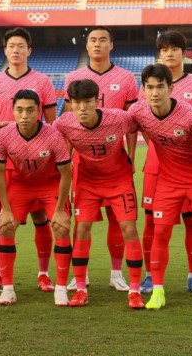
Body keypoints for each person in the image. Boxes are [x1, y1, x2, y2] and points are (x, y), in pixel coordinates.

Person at [128, 64, 192, 312]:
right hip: (168, 184)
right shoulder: (138, 112)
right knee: (160, 234)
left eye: (160, 87)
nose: (155, 92)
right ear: (143, 89)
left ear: (170, 88)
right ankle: (158, 292)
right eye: (149, 87)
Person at [54, 79, 144, 309]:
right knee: (82, 228)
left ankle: (134, 291)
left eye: (87, 102)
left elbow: (141, 125)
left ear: (97, 101)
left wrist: (133, 155)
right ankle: (81, 288)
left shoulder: (119, 118)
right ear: (70, 103)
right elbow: (42, 134)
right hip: (88, 182)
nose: (82, 107)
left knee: (129, 228)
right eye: (77, 102)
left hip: (119, 180)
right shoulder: (64, 123)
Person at [63, 26, 138, 292]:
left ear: (111, 45)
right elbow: (66, 124)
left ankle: (116, 273)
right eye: (92, 40)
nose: (97, 44)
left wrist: (130, 157)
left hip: (115, 162)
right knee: (82, 222)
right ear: (86, 46)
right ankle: (78, 275)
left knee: (119, 220)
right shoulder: (73, 76)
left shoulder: (127, 77)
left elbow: (132, 122)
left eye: (102, 40)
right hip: (84, 166)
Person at [0, 27, 58, 292]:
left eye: (20, 46)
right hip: (7, 165)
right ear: (5, 50)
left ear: (29, 50)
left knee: (41, 219)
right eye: (11, 46)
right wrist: (2, 129)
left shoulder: (43, 82)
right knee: (2, 222)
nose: (16, 50)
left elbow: (52, 125)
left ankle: (43, 273)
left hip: (39, 165)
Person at [140, 30, 192, 296]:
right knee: (151, 222)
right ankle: (150, 276)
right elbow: (145, 125)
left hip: (190, 169)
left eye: (175, 48)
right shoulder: (146, 85)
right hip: (157, 166)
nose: (169, 53)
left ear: (184, 52)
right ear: (159, 53)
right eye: (164, 49)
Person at [0, 90, 73, 306]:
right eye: (19, 110)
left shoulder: (53, 134)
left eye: (30, 110)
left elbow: (66, 172)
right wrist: (6, 208)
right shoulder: (4, 135)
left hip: (50, 184)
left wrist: (60, 209)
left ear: (39, 111)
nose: (24, 115)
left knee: (61, 227)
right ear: (13, 111)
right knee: (6, 226)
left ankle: (62, 289)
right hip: (21, 185)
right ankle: (8, 289)